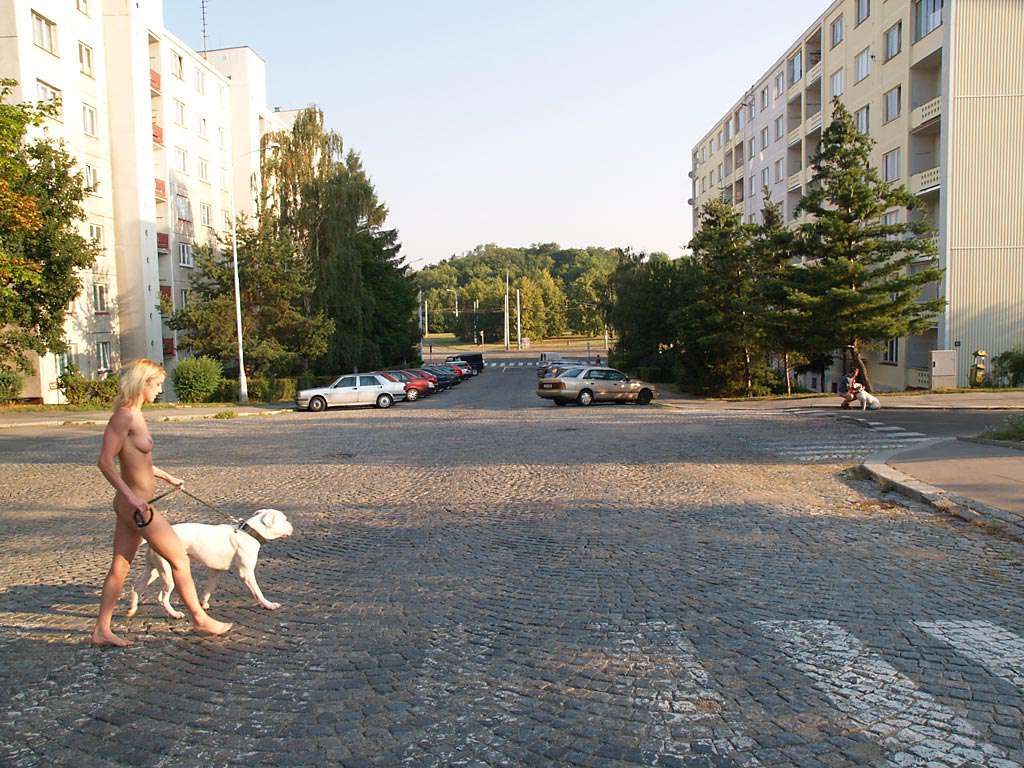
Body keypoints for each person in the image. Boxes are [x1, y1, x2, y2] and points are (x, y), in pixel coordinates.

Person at [91, 359, 231, 646]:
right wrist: (131, 497)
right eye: (156, 385)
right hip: (137, 506)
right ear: (142, 383)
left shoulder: (137, 415)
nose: (159, 390)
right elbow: (104, 462)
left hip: (135, 504)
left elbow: (139, 462)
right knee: (179, 558)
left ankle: (101, 631)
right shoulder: (124, 416)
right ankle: (199, 619)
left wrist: (167, 477)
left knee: (120, 566)